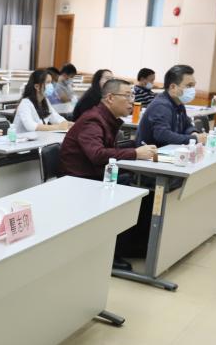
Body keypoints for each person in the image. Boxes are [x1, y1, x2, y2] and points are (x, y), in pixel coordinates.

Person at [59, 79, 157, 267]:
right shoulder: (93, 119)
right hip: (79, 181)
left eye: (132, 95)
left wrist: (135, 152)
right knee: (133, 191)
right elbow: (97, 155)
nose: (132, 101)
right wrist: (135, 153)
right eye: (127, 96)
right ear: (110, 98)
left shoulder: (107, 119)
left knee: (146, 190)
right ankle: (112, 253)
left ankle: (132, 247)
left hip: (95, 175)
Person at [136, 64, 206, 147]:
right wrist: (194, 139)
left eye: (193, 86)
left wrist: (193, 133)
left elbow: (187, 125)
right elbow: (163, 135)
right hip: (153, 152)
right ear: (173, 87)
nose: (193, 90)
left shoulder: (178, 103)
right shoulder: (161, 105)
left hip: (169, 150)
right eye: (189, 86)